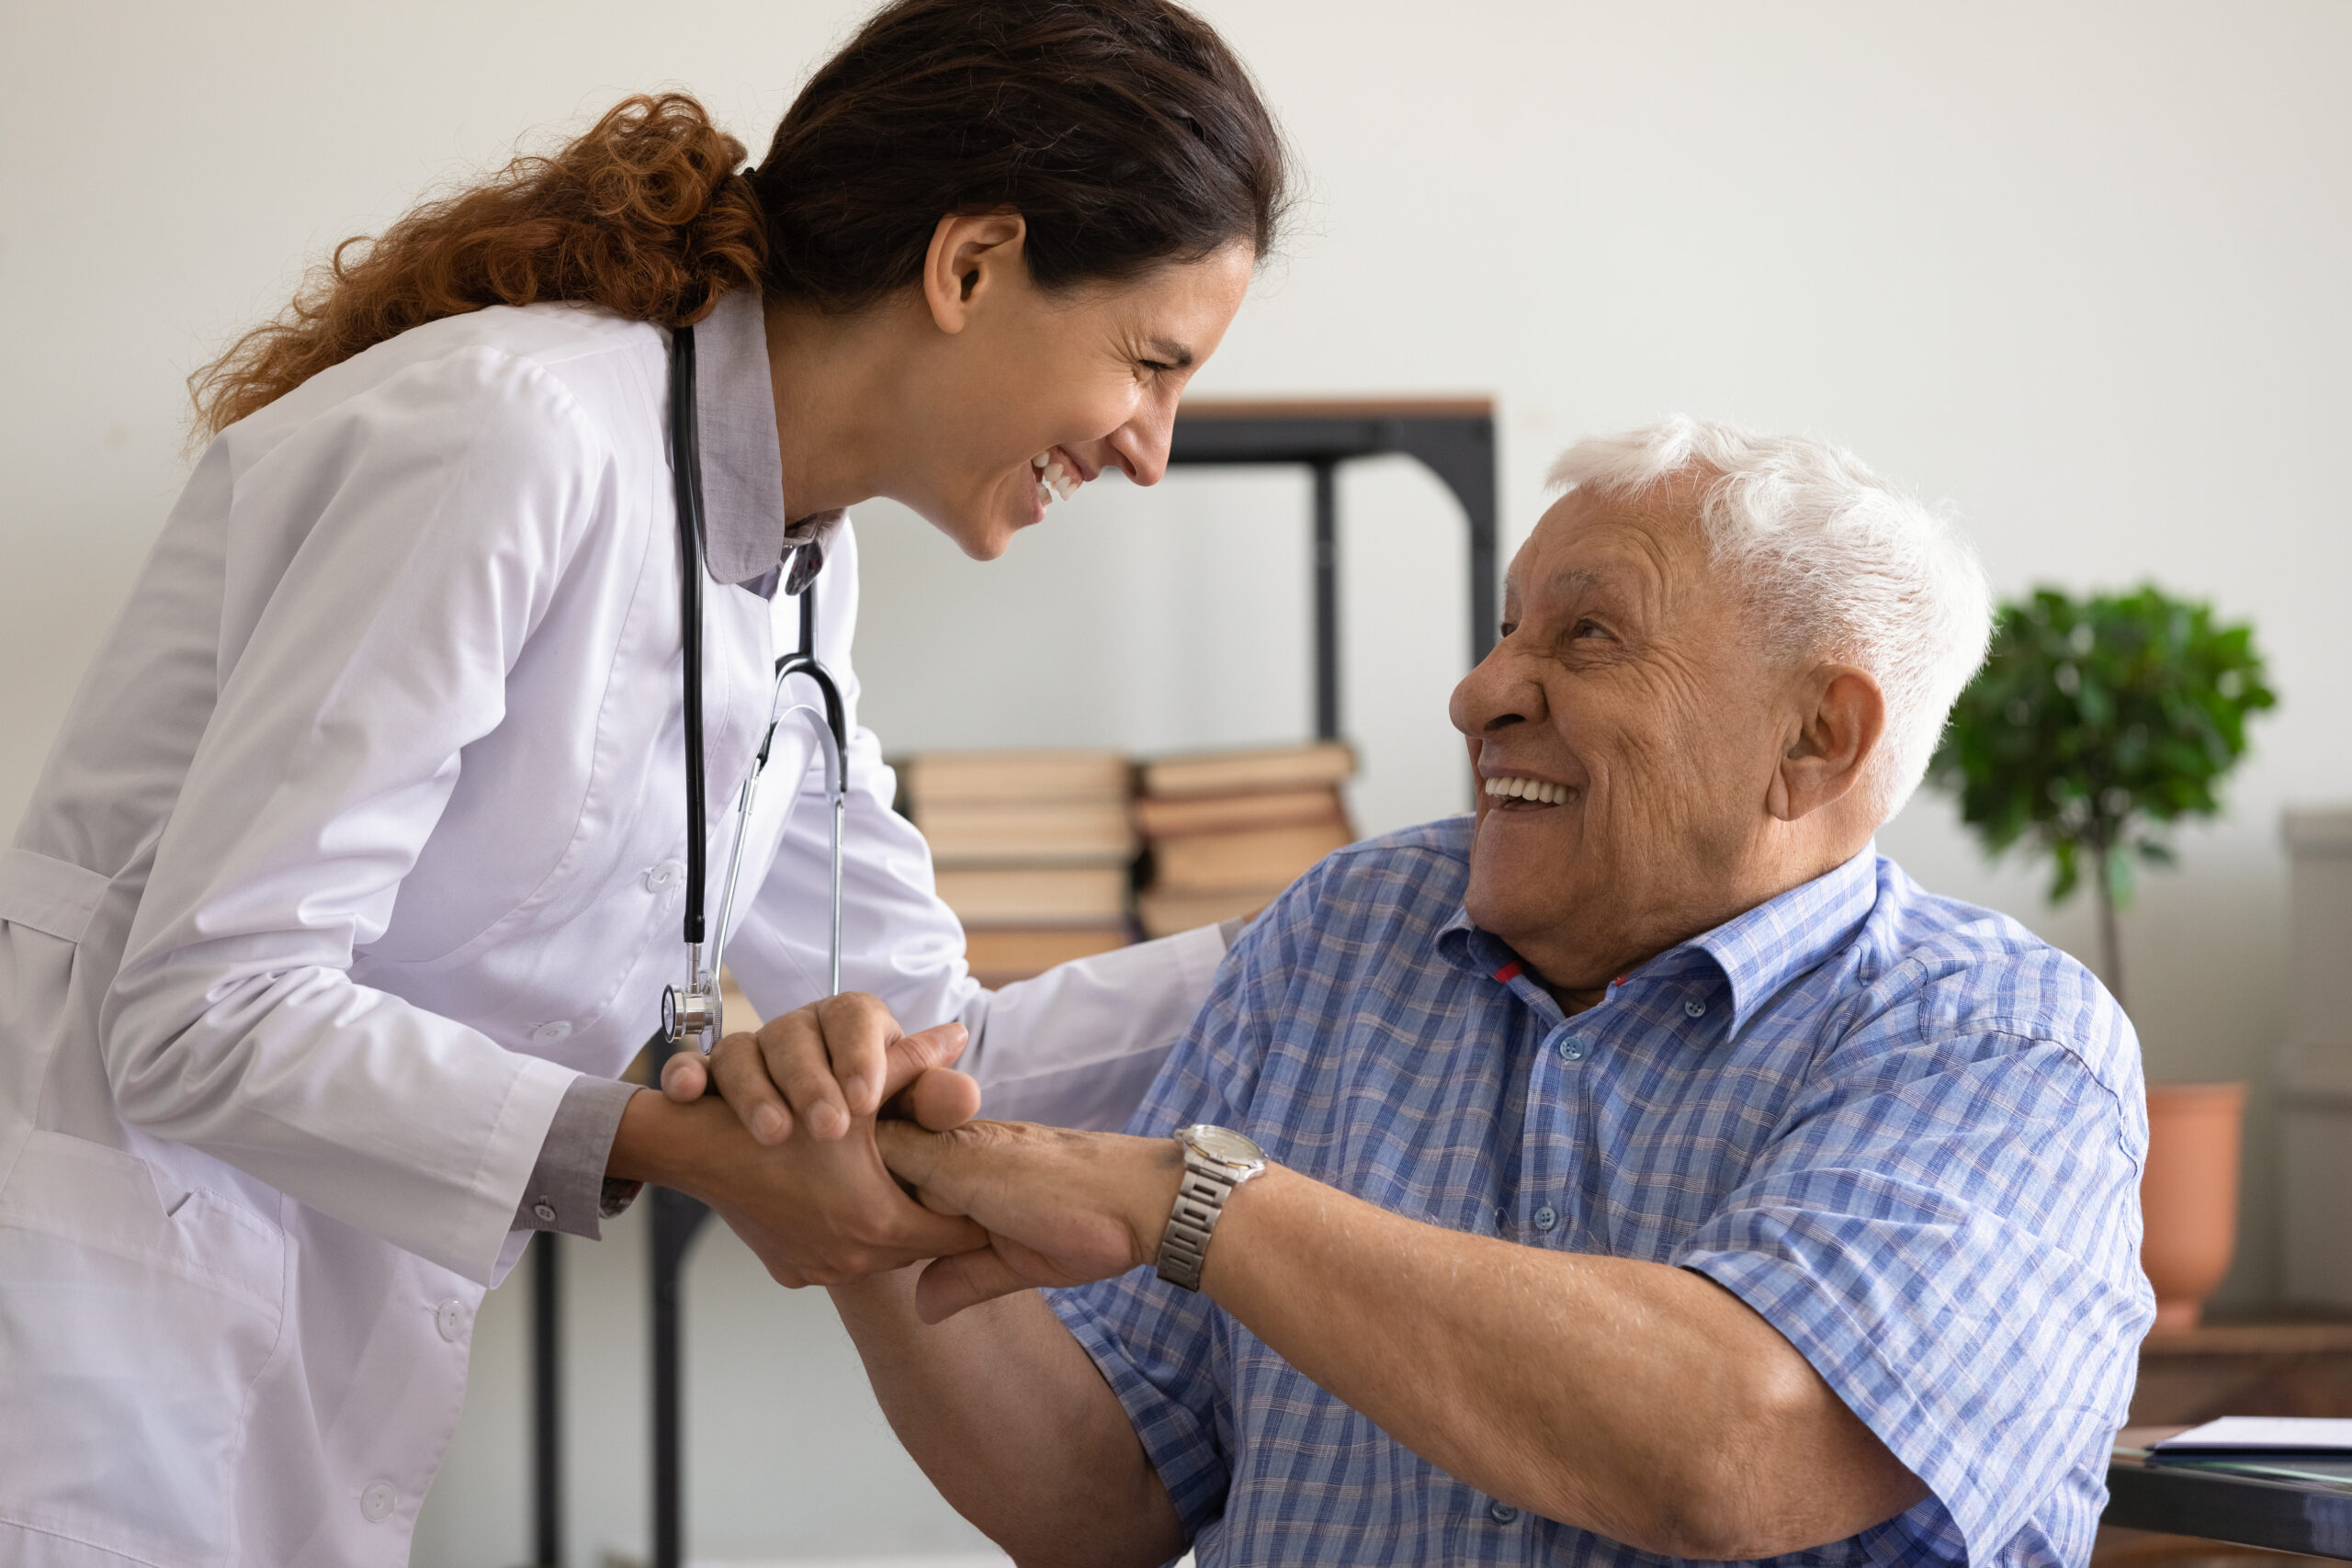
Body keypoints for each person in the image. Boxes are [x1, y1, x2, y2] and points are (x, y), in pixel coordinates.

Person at [0, 2, 1288, 1562]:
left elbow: (951, 1041)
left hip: (286, 1329)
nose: (1151, 447)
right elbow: (206, 1008)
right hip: (95, 1331)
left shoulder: (802, 571)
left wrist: (1326, 935)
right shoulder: (513, 436)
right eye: (1150, 363)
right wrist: (676, 1140)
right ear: (970, 266)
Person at [833, 417, 2156, 1567]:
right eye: (1507, 628)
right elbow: (1093, 1507)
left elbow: (1726, 1443)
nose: (1478, 695)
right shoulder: (1347, 934)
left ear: (1818, 739)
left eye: (1588, 637)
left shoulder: (1999, 1046)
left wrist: (1194, 1200)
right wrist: (856, 1193)